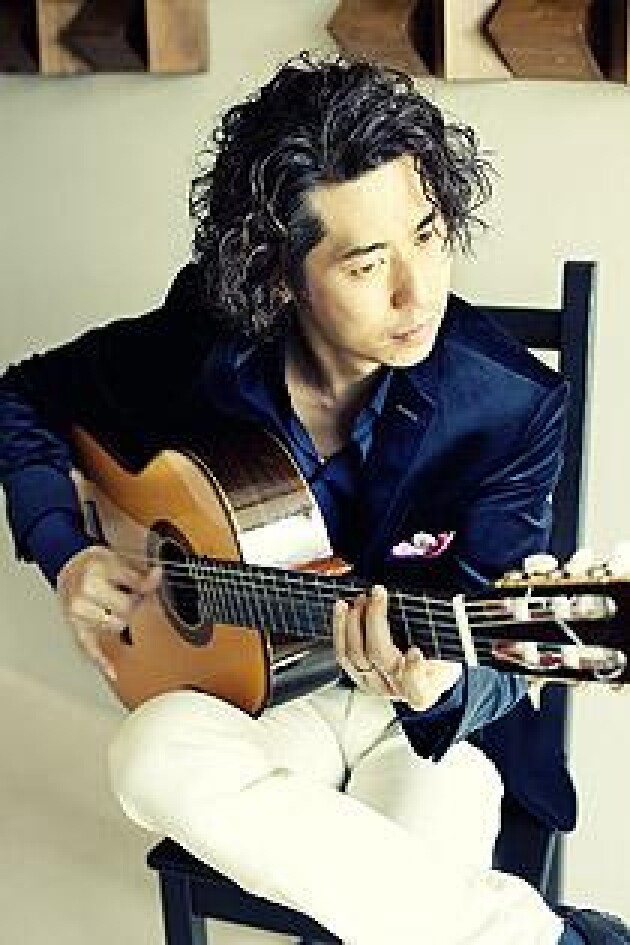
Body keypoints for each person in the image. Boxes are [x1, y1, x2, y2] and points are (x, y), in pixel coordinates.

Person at [0, 51, 627, 945]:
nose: (418, 291)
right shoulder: (207, 338)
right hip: (263, 701)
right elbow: (24, 396)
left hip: (422, 727)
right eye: (367, 265)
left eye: (428, 234)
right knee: (147, 753)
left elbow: (496, 636)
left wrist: (439, 682)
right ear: (280, 275)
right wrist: (68, 551)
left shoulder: (512, 406)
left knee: (414, 880)